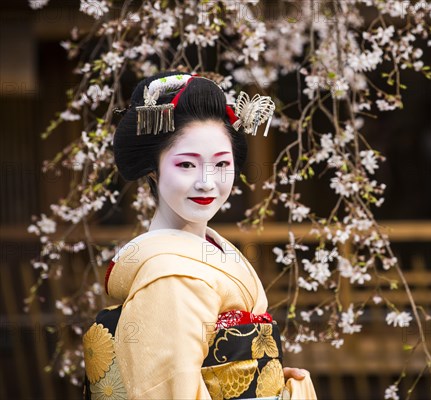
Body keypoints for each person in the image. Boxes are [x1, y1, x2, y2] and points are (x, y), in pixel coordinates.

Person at [82, 71, 317, 399]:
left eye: (221, 165)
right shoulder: (169, 276)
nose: (207, 182)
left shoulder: (207, 251)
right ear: (154, 168)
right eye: (187, 165)